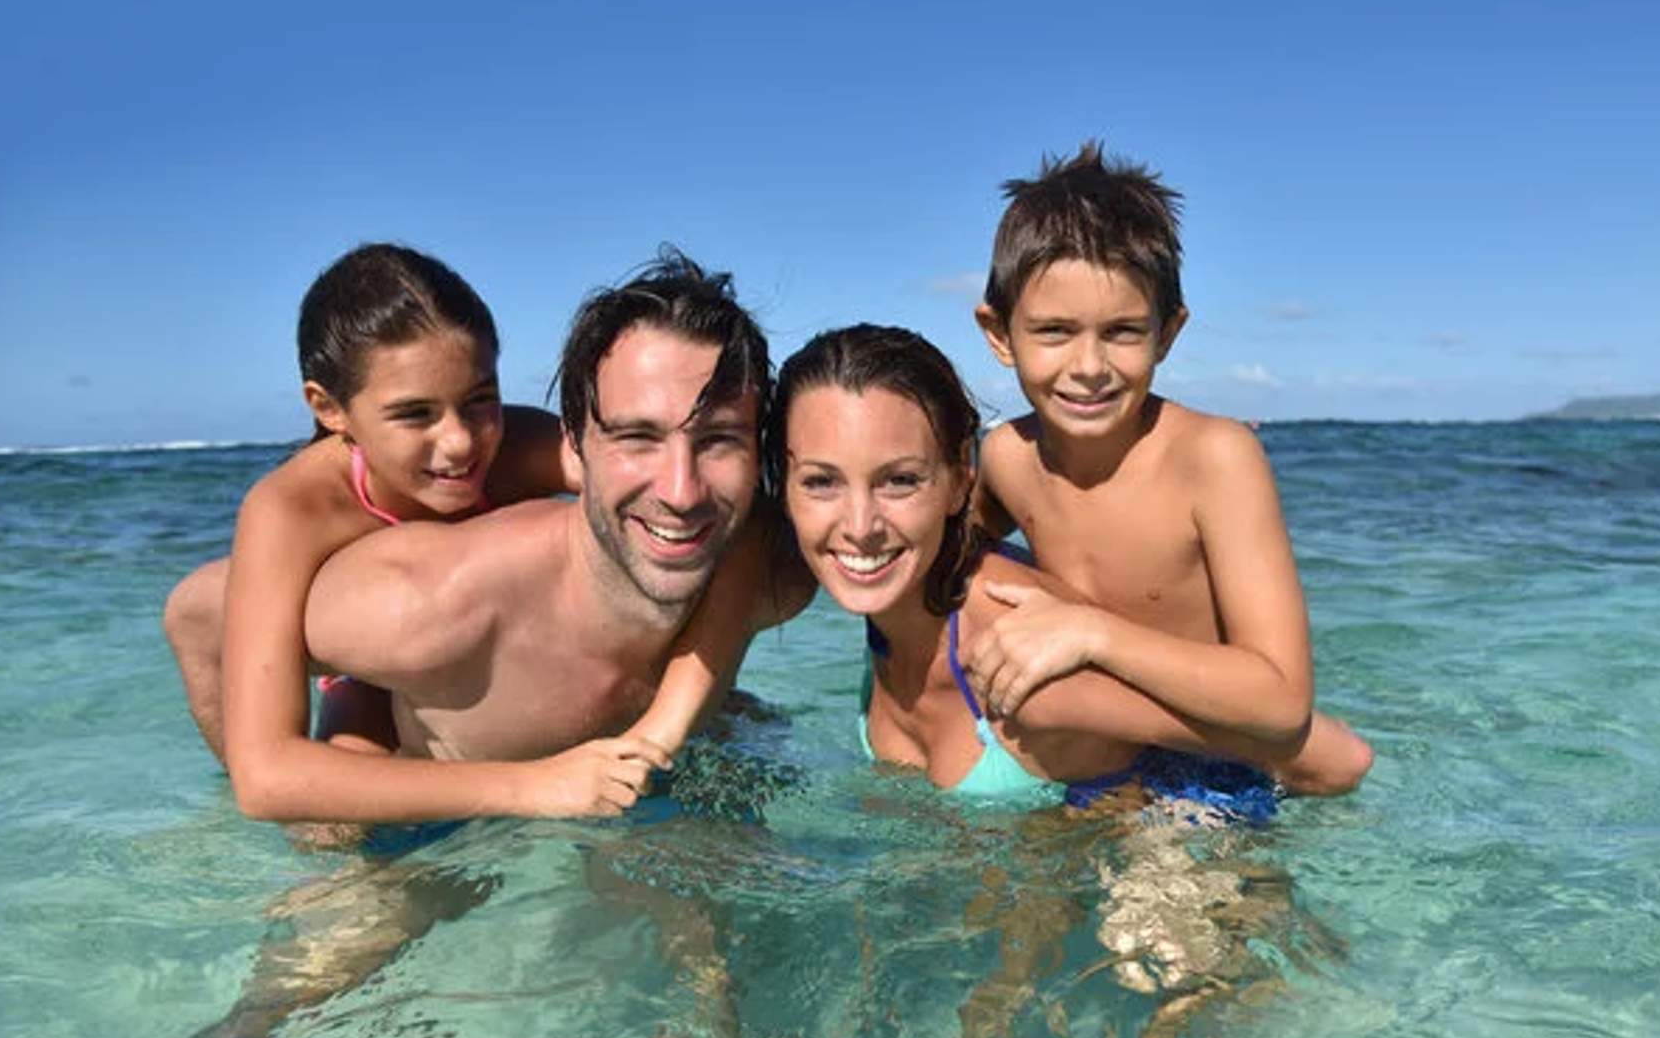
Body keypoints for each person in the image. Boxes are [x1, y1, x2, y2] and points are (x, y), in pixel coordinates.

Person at [165, 247, 799, 826]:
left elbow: (702, 510)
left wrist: (666, 722)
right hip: (366, 666)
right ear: (328, 409)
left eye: (480, 399)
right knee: (331, 835)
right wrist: (535, 786)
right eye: (415, 414)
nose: (461, 441)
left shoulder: (519, 443)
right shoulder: (289, 508)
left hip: (463, 650)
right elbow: (270, 775)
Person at [966, 142, 1373, 796]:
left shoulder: (1213, 458)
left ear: (1169, 332)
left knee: (1162, 896)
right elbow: (939, 554)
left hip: (1210, 770)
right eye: (1054, 331)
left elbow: (1281, 698)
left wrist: (1090, 631)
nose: (1089, 364)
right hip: (1094, 759)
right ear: (998, 333)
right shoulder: (1006, 457)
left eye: (1123, 331)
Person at [770, 322, 1295, 814]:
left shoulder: (1020, 650)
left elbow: (1324, 757)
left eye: (900, 480)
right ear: (784, 489)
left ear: (959, 481)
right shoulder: (891, 598)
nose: (860, 526)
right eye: (821, 482)